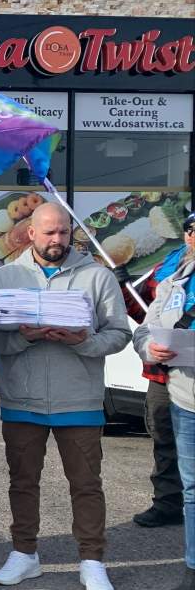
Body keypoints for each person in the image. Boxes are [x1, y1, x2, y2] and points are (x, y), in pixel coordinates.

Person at [0, 202, 131, 590]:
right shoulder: (4, 277)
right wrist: (23, 337)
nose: (57, 240)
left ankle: (92, 561)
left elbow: (120, 333)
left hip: (78, 397)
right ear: (30, 233)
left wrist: (85, 342)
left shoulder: (97, 277)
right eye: (48, 232)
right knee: (22, 482)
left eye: (63, 232)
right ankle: (24, 553)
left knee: (85, 484)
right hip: (22, 397)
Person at [131, 213, 195, 590]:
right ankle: (192, 572)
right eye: (192, 229)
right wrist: (150, 349)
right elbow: (144, 329)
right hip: (186, 399)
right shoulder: (174, 279)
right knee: (191, 491)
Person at [115, 224, 191, 529]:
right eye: (191, 229)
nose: (193, 236)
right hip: (163, 375)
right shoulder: (165, 270)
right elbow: (142, 314)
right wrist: (123, 288)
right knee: (164, 441)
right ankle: (168, 504)